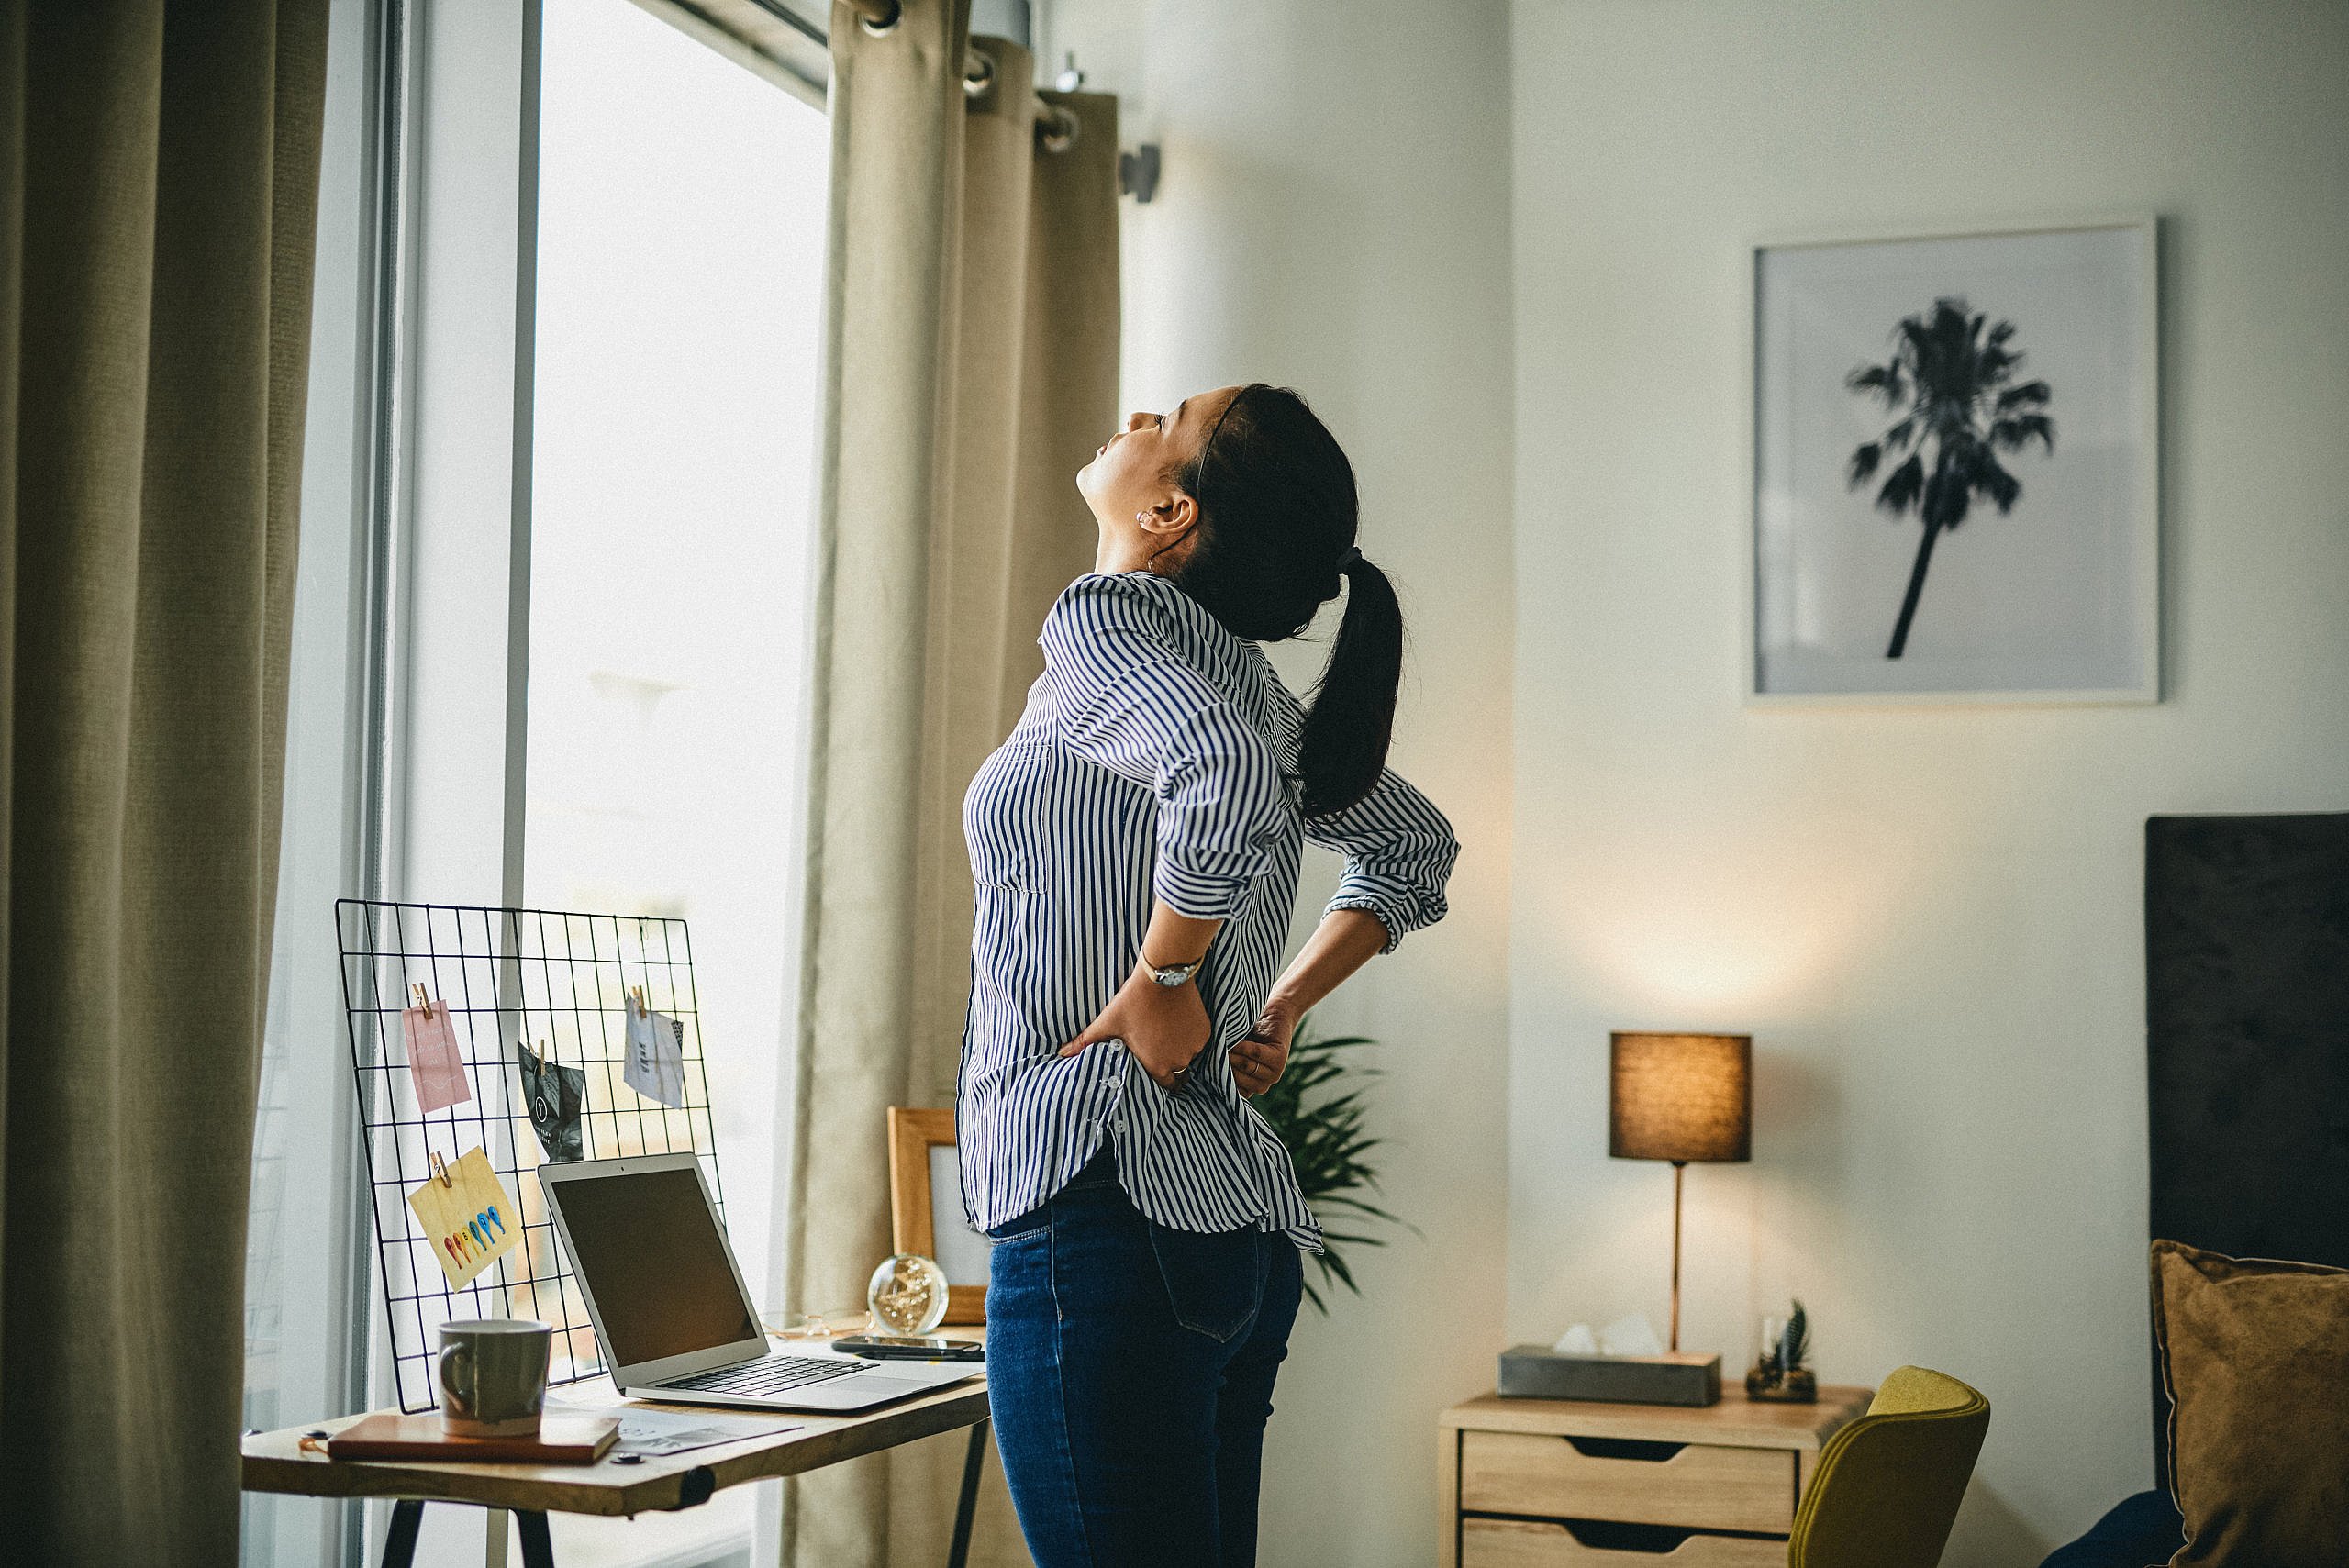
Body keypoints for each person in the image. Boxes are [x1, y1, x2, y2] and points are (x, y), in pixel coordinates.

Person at [957, 382, 1460, 1567]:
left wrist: (1168, 976)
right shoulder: (1245, 689)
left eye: (1169, 418)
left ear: (1174, 512)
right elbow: (1412, 844)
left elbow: (1227, 778)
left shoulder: (1108, 623)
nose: (1134, 413)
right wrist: (1274, 1004)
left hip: (1103, 1209)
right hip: (1219, 1233)